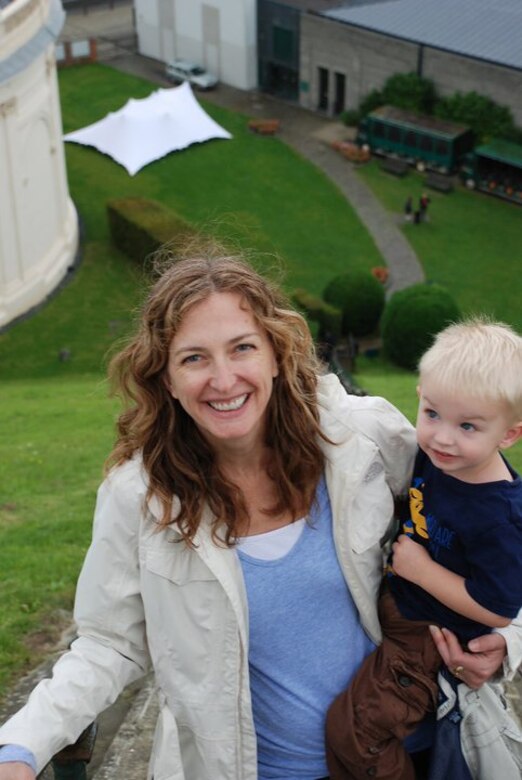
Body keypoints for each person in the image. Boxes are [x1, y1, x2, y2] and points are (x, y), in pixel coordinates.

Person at [0, 254, 517, 780]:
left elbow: (496, 527)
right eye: (194, 358)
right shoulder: (139, 497)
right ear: (166, 379)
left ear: (275, 353)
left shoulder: (361, 439)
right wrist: (20, 746)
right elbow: (109, 643)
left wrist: (507, 642)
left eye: (242, 348)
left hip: (413, 754)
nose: (224, 380)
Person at [325, 318, 522, 780]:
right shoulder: (435, 459)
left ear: (509, 434)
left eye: (468, 426)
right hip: (404, 614)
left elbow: (497, 608)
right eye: (432, 414)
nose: (442, 437)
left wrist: (419, 570)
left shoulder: (500, 516)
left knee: (356, 733)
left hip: (431, 637)